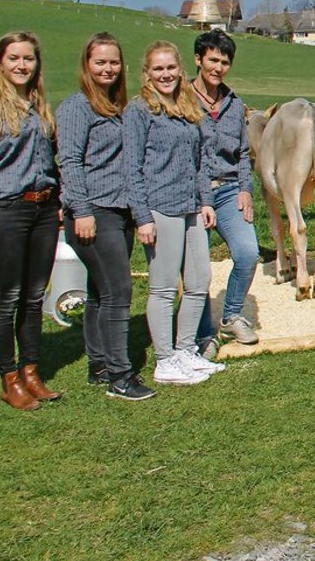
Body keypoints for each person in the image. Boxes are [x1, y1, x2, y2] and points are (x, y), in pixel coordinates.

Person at [0, 31, 63, 410]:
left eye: (29, 59)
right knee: (8, 297)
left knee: (35, 296)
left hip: (43, 209)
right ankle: (9, 378)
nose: (22, 65)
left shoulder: (38, 107)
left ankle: (31, 370)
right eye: (14, 58)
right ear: (0, 62)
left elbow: (51, 160)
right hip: (6, 210)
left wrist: (59, 201)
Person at [57, 33, 154, 401]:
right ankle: (120, 375)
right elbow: (69, 161)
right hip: (94, 211)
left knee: (99, 292)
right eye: (100, 62)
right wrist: (81, 211)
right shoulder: (77, 108)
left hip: (119, 211)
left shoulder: (118, 107)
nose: (108, 69)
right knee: (119, 291)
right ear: (86, 65)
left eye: (113, 62)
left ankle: (98, 364)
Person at [124, 41, 224, 386]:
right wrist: (142, 216)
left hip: (192, 208)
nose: (165, 75)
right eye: (158, 69)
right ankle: (165, 359)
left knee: (199, 283)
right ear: (147, 74)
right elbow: (132, 168)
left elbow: (199, 163)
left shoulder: (186, 108)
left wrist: (206, 201)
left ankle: (185, 351)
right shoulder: (139, 111)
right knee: (164, 288)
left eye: (171, 68)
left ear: (181, 70)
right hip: (160, 208)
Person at [188, 29, 261, 356]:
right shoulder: (182, 101)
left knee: (248, 253)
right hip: (192, 194)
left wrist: (245, 188)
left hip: (230, 189)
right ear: (198, 60)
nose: (218, 67)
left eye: (225, 62)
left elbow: (243, 153)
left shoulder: (234, 104)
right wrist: (202, 198)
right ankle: (204, 333)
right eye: (213, 60)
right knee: (198, 266)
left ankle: (231, 314)